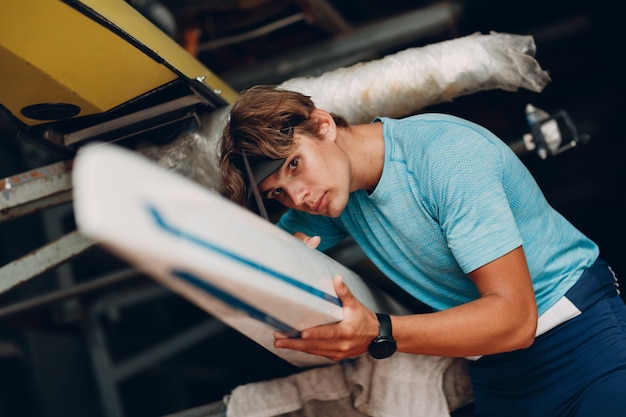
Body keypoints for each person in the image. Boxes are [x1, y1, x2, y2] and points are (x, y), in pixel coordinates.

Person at [219, 85, 626, 416]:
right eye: (278, 194)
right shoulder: (329, 195)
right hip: (498, 374)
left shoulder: (443, 156)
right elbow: (272, 249)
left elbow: (516, 320)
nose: (298, 196)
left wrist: (379, 331)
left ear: (322, 125)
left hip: (584, 343)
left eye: (293, 165)